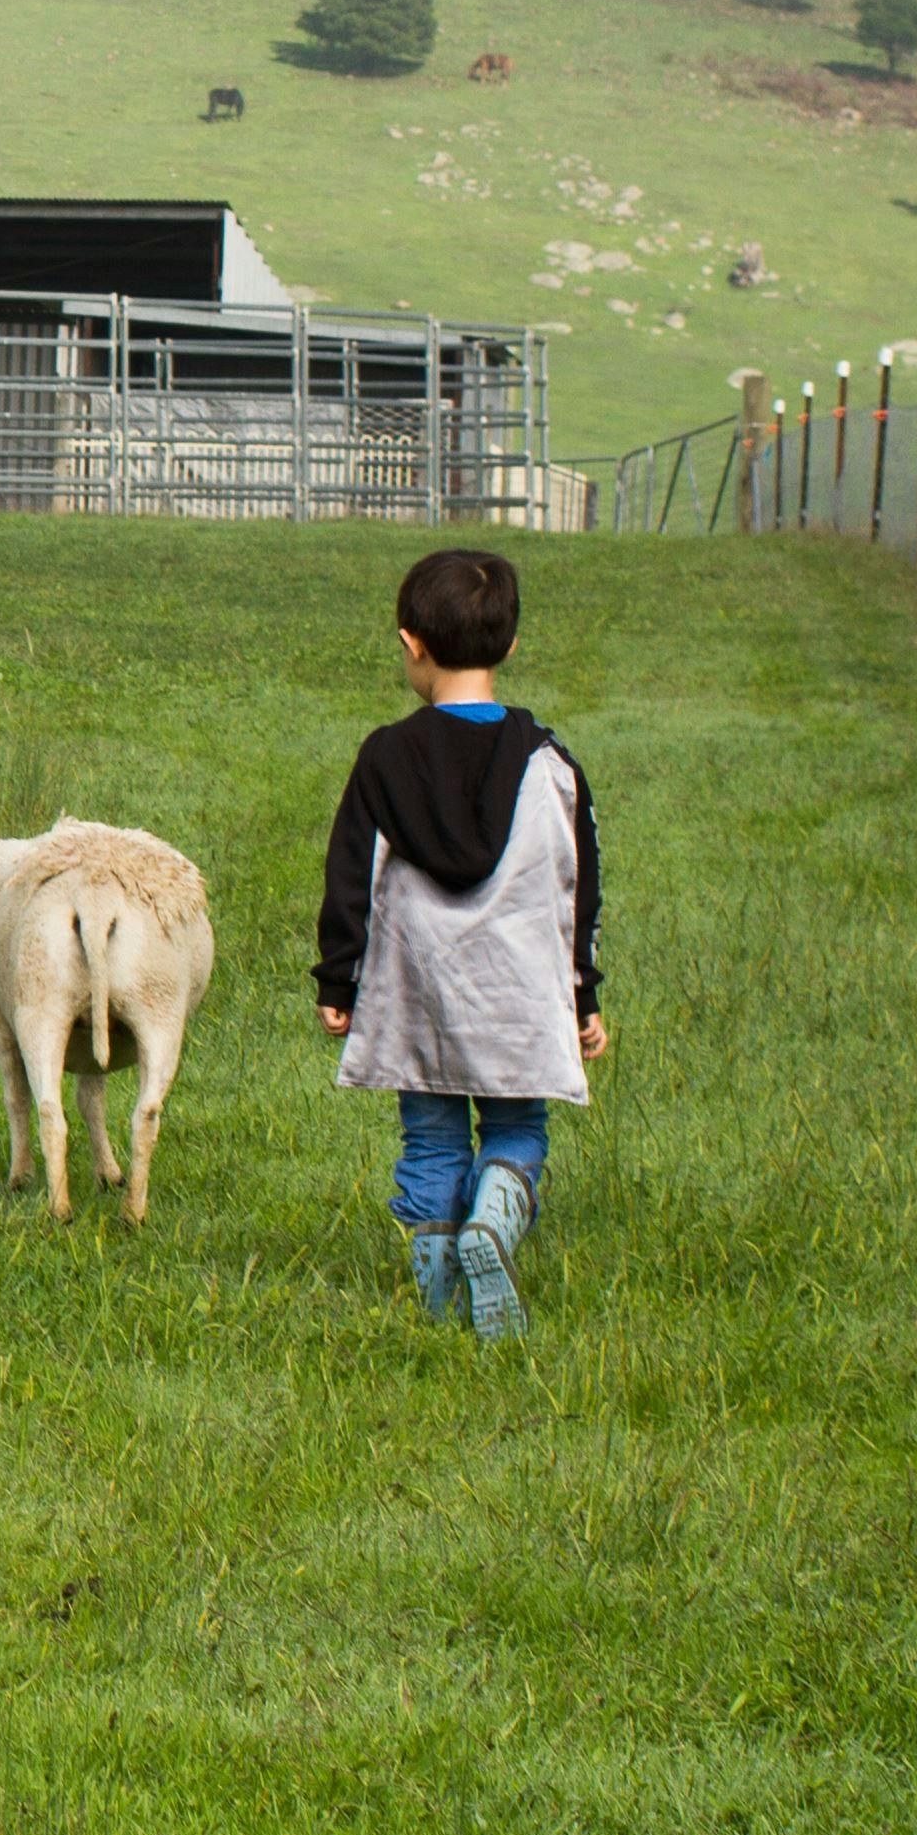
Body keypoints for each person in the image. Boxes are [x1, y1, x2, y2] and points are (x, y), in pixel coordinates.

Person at [314, 549, 606, 1338]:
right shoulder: (551, 764)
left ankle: (443, 1310)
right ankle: (494, 1227)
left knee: (432, 1141)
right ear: (509, 647)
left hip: (422, 996)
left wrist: (338, 985)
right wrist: (582, 994)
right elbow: (575, 887)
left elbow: (350, 878)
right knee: (514, 1130)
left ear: (411, 644)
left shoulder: (385, 757)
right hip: (515, 997)